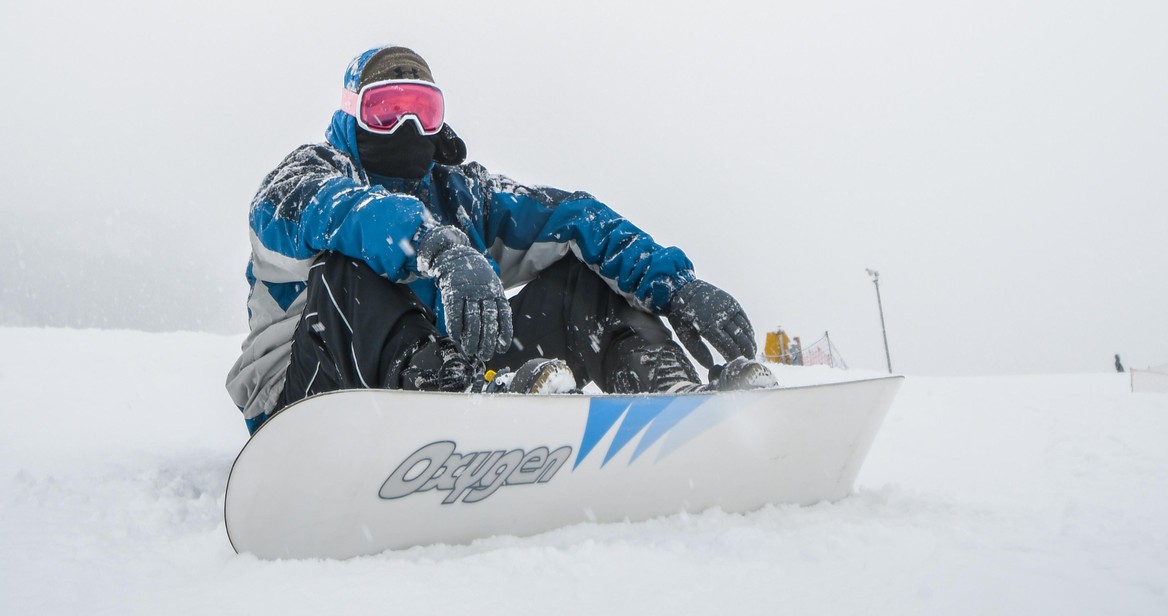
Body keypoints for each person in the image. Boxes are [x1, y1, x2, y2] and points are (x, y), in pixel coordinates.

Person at [226, 46, 776, 434]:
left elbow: (573, 217)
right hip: (302, 401)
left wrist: (674, 287)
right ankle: (453, 399)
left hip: (449, 385)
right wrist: (435, 246)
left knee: (576, 277)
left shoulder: (463, 195)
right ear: (351, 114)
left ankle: (665, 393)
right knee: (351, 264)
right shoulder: (305, 178)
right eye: (386, 111)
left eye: (424, 111)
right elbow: (348, 213)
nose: (408, 128)